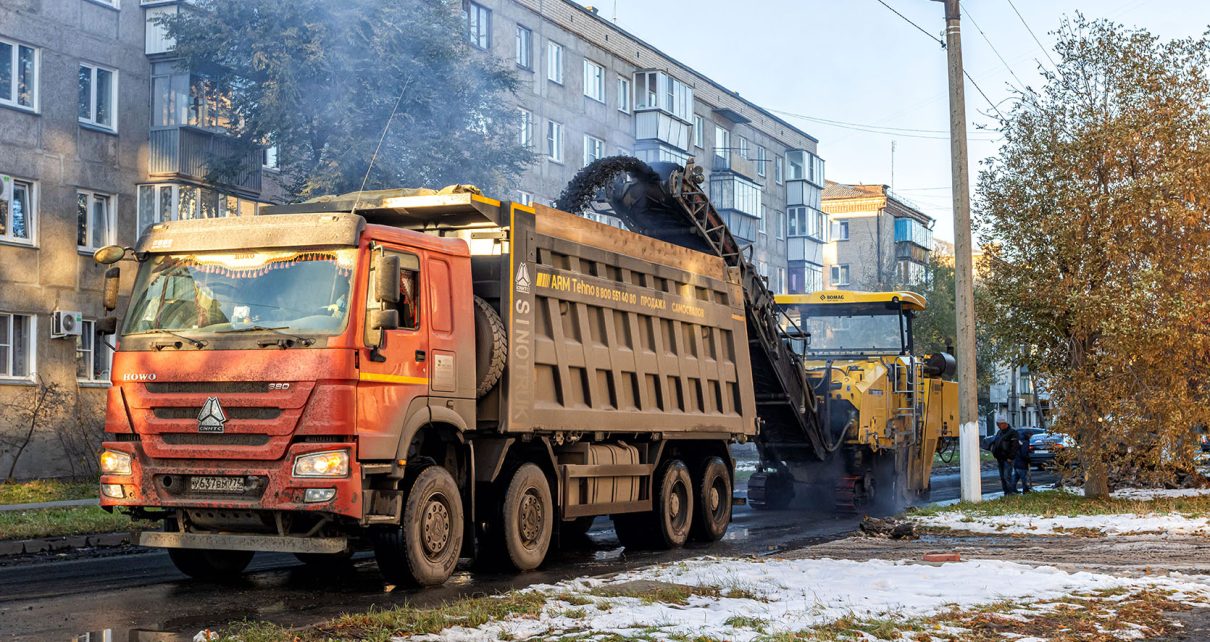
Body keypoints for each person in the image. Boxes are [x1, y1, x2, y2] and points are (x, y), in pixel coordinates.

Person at [989, 414, 1020, 495]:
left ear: (1004, 423)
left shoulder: (1013, 432)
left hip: (1007, 459)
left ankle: (1010, 492)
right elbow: (996, 442)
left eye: (999, 424)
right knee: (1002, 477)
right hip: (1000, 458)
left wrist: (1010, 457)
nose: (998, 426)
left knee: (1007, 476)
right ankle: (1006, 492)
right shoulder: (999, 432)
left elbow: (1015, 446)